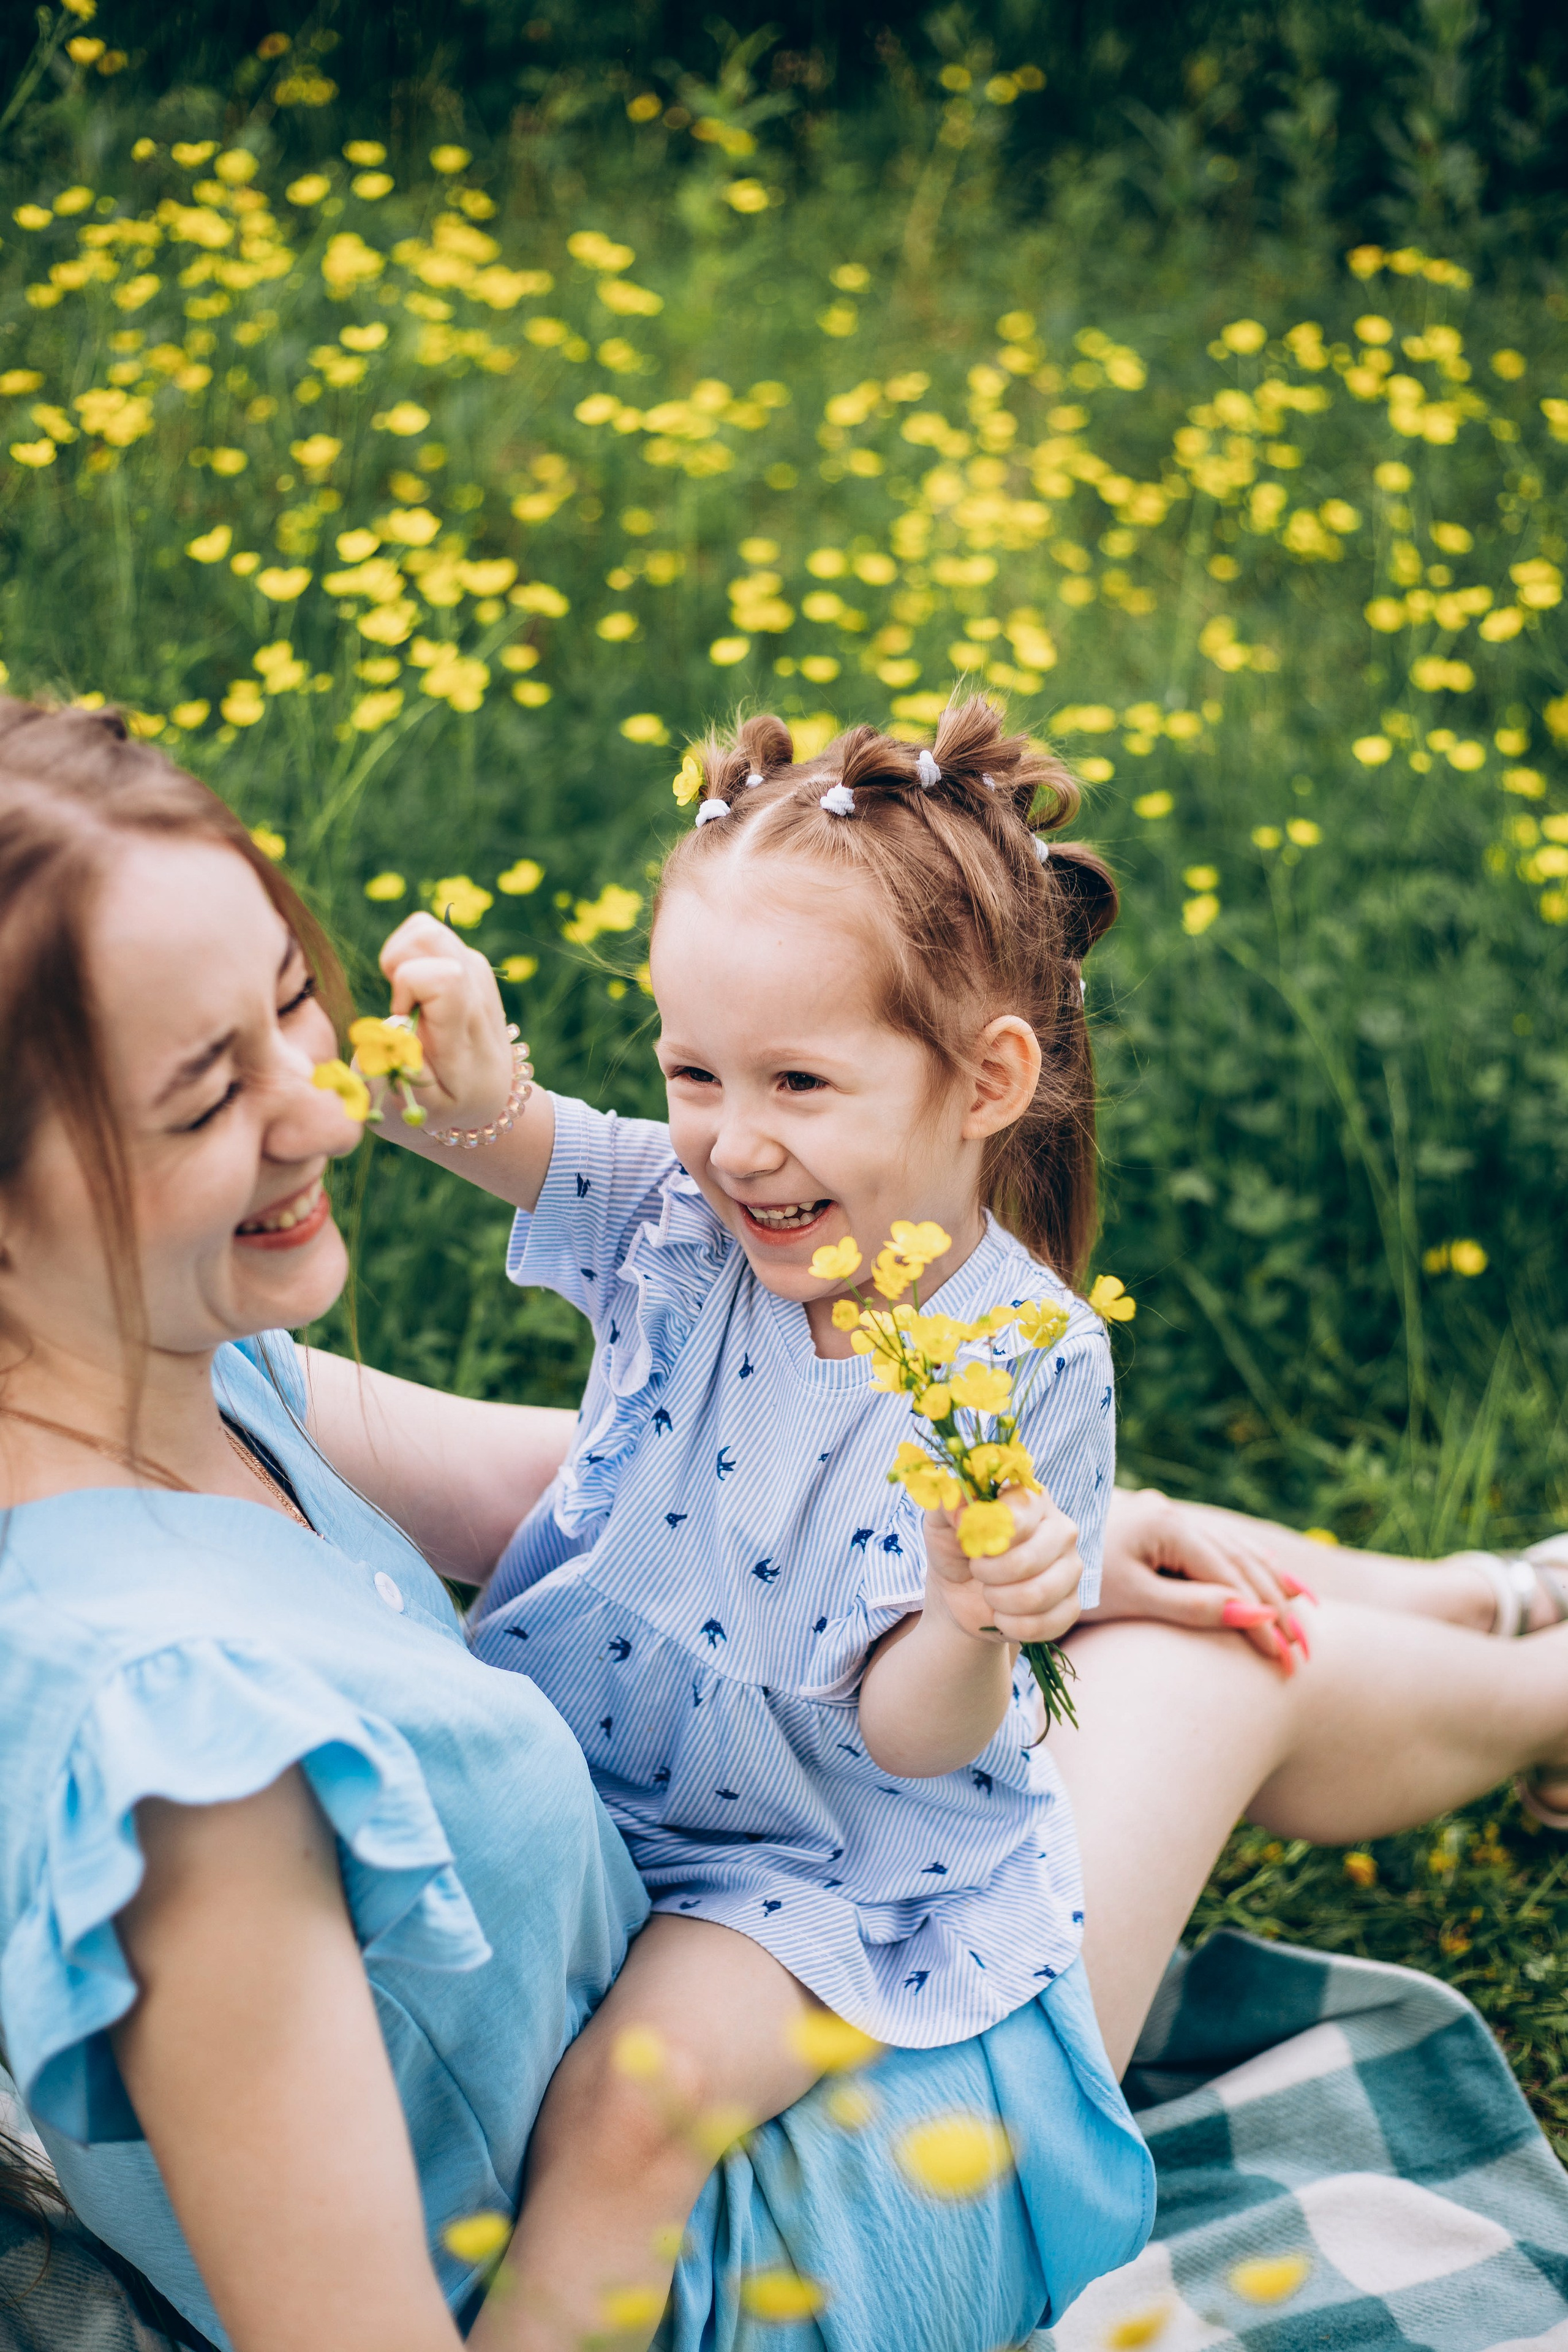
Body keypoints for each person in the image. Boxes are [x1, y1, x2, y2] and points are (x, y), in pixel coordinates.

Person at [6, 698, 1568, 2352]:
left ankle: (1486, 1595)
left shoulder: (166, 1363)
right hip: (694, 2270)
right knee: (1215, 1673)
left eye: (293, 1004)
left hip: (743, 1825)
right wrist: (975, 1618)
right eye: (200, 1099)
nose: (329, 1110)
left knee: (1142, 1579)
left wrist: (1019, 1563)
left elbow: (605, 1484)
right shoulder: (189, 1765)